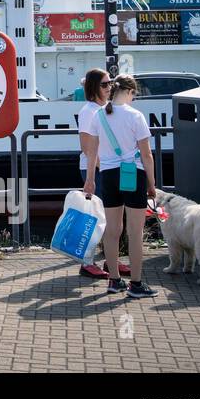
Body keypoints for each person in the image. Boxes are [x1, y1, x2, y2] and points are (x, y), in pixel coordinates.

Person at [84, 74, 158, 298]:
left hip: (108, 175)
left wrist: (90, 180)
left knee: (112, 231)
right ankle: (136, 284)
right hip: (133, 174)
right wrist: (152, 184)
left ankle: (114, 281)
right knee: (135, 232)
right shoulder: (135, 116)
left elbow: (92, 152)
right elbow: (146, 154)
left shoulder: (99, 115)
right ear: (129, 92)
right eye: (134, 94)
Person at [76, 68, 130, 280]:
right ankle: (87, 263)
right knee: (97, 217)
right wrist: (98, 171)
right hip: (97, 169)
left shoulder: (107, 108)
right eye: (105, 84)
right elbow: (86, 146)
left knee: (112, 218)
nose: (110, 88)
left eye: (111, 84)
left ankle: (112, 260)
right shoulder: (88, 111)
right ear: (93, 87)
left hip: (108, 167)